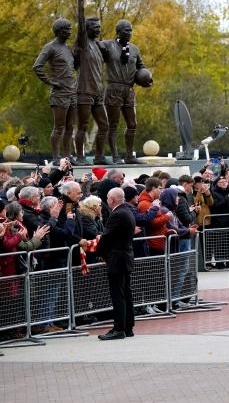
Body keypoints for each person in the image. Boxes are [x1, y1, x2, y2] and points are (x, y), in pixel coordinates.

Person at [81, 187, 135, 340]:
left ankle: (119, 328)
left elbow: (106, 238)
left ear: (112, 200)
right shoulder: (127, 211)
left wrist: (100, 253)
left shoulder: (117, 214)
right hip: (124, 257)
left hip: (117, 259)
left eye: (108, 198)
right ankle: (127, 327)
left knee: (118, 294)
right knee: (126, 293)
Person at [99, 20, 148, 164]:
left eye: (131, 30)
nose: (130, 33)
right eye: (126, 30)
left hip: (129, 89)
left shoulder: (134, 49)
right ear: (118, 31)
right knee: (112, 124)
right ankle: (115, 155)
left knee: (132, 124)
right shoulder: (108, 45)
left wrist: (145, 77)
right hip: (114, 88)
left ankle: (129, 155)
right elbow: (91, 50)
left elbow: (141, 67)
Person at [72, 0, 109, 166]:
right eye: (95, 27)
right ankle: (79, 157)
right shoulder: (84, 42)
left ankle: (100, 156)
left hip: (97, 92)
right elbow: (80, 21)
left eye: (99, 27)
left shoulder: (98, 46)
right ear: (88, 29)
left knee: (104, 125)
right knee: (83, 126)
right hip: (84, 91)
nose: (98, 29)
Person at [32, 17, 77, 162]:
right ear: (59, 31)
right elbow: (37, 66)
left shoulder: (68, 48)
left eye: (70, 29)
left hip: (72, 91)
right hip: (59, 92)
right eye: (67, 29)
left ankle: (67, 156)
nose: (70, 32)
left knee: (70, 127)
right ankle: (57, 156)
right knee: (59, 127)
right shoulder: (50, 47)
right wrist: (50, 81)